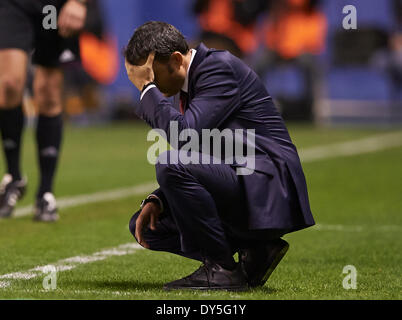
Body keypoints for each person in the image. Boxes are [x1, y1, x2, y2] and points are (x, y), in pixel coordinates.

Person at [124, 21, 315, 291]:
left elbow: (184, 137)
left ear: (177, 60)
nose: (150, 84)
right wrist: (160, 198)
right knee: (147, 226)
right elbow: (203, 152)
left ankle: (222, 268)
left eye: (151, 76)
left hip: (266, 185)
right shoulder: (194, 83)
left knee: (169, 162)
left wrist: (147, 91)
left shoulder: (217, 68)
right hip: (243, 177)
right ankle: (256, 248)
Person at [0, 0, 88, 221]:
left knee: (48, 92)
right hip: (13, 4)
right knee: (9, 84)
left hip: (52, 6)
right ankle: (14, 176)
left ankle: (45, 193)